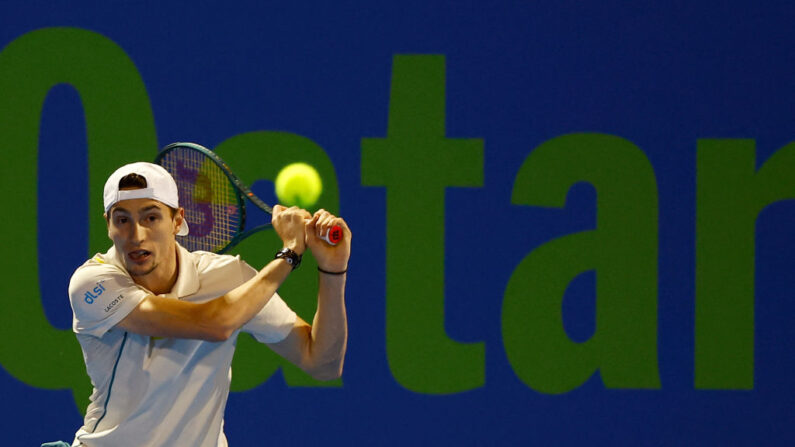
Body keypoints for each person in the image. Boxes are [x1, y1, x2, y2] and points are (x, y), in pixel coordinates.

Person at [64, 162, 350, 446]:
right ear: (108, 225)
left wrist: (333, 270)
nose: (137, 235)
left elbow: (322, 364)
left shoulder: (228, 277)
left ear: (177, 220)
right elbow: (214, 323)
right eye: (122, 220)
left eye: (151, 218)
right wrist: (289, 253)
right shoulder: (94, 283)